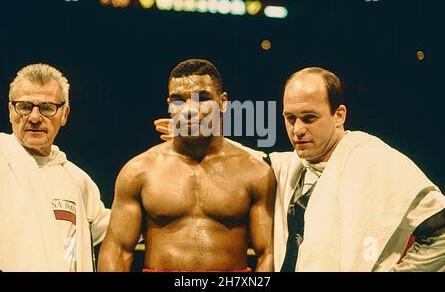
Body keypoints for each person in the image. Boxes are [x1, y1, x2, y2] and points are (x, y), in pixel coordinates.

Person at [155, 66, 445, 271]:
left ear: (339, 115)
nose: (298, 130)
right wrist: (197, 132)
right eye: (290, 118)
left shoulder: (375, 160)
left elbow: (440, 232)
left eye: (309, 118)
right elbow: (249, 158)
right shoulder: (290, 166)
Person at [98, 59, 276, 272]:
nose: (190, 109)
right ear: (169, 106)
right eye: (178, 100)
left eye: (202, 98)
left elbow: (269, 253)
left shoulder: (254, 172)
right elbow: (117, 250)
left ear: (223, 102)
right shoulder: (139, 171)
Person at [0, 63, 110, 272]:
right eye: (24, 107)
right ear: (10, 111)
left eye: (47, 108)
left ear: (64, 114)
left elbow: (117, 229)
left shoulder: (78, 180)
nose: (33, 117)